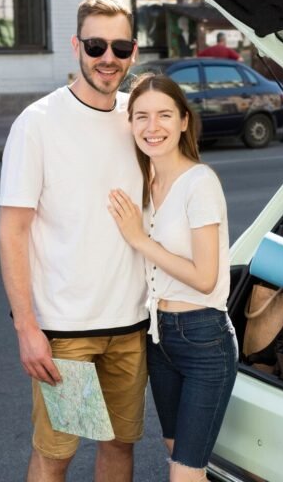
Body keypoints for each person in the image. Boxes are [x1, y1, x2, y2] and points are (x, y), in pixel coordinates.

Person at [0, 0, 148, 482]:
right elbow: (13, 231)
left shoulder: (139, 121)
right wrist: (27, 329)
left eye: (120, 48)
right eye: (95, 45)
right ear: (75, 46)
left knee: (119, 446)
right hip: (66, 333)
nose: (108, 58)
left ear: (133, 52)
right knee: (56, 455)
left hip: (130, 325)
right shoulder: (38, 123)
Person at [107, 74, 238, 482]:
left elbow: (205, 277)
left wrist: (139, 240)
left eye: (164, 115)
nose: (153, 126)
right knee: (178, 455)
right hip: (158, 337)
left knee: (184, 473)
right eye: (141, 116)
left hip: (204, 337)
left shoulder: (200, 183)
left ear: (184, 121)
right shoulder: (145, 181)